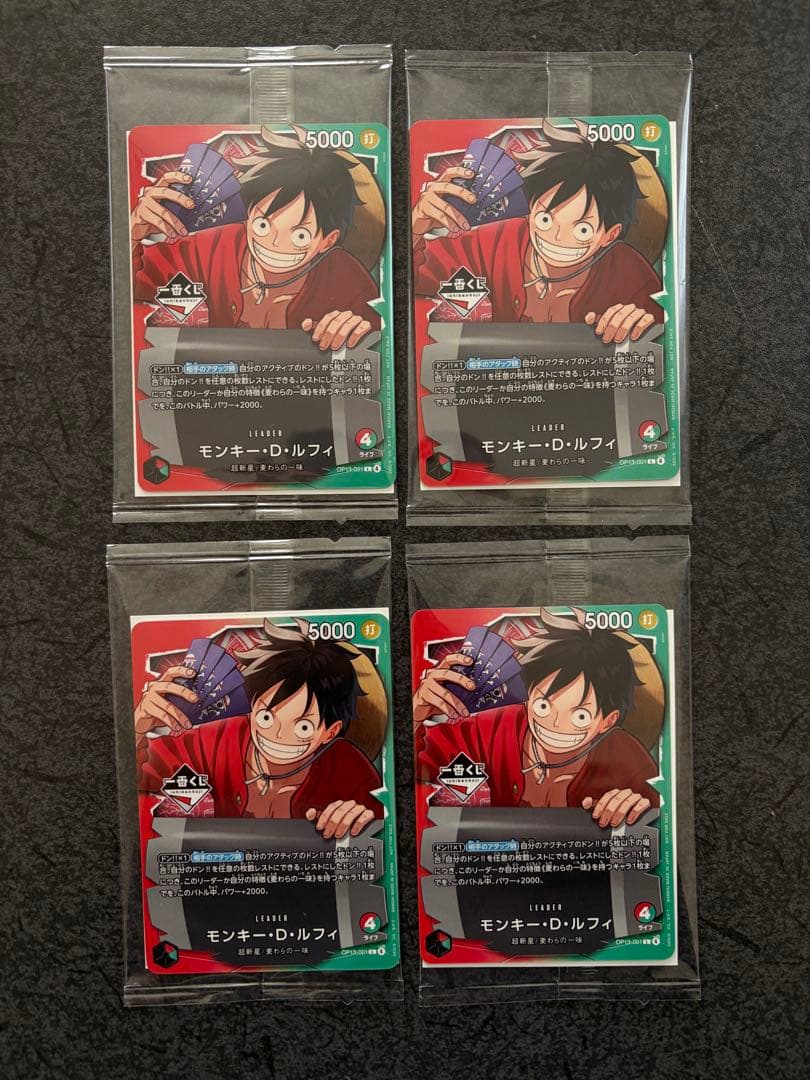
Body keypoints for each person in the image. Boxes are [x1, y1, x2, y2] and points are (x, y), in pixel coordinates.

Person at [412, 119, 663, 344]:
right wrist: (414, 228)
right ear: (530, 209)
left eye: (582, 229)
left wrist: (640, 322)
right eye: (545, 219)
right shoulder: (496, 242)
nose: (556, 237)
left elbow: (661, 330)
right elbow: (416, 278)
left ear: (610, 234)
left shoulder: (630, 275)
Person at [131, 127, 380, 350]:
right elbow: (134, 286)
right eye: (262, 225)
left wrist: (357, 330)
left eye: (300, 235)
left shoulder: (347, 281)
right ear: (248, 214)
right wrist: (132, 235)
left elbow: (377, 340)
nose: (273, 243)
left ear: (327, 240)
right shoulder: (210, 249)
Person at [414, 608, 660, 827]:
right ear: (528, 695)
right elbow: (419, 765)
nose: (554, 723)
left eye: (580, 716)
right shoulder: (494, 729)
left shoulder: (627, 762)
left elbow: (659, 821)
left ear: (608, 721)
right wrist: (415, 714)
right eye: (543, 705)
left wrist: (638, 808)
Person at [135, 619, 382, 838]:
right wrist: (136, 728)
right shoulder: (215, 740)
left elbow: (382, 828)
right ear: (251, 706)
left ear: (330, 731)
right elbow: (139, 778)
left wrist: (361, 819)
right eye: (266, 717)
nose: (277, 734)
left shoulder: (349, 770)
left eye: (303, 727)